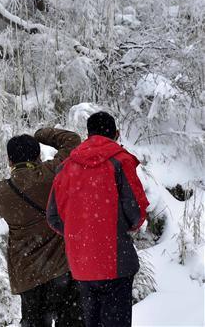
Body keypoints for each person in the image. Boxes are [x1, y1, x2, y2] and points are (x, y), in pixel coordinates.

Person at [47, 111, 150, 327]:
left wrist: (80, 232)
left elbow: (53, 217)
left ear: (88, 134)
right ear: (116, 134)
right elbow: (137, 211)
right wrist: (121, 228)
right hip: (116, 260)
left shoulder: (66, 167)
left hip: (82, 263)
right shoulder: (120, 161)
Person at [0, 127, 84, 327]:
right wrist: (40, 133)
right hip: (61, 269)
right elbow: (72, 141)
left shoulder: (2, 192)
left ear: (10, 161)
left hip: (27, 276)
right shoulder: (51, 175)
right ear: (38, 156)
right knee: (71, 321)